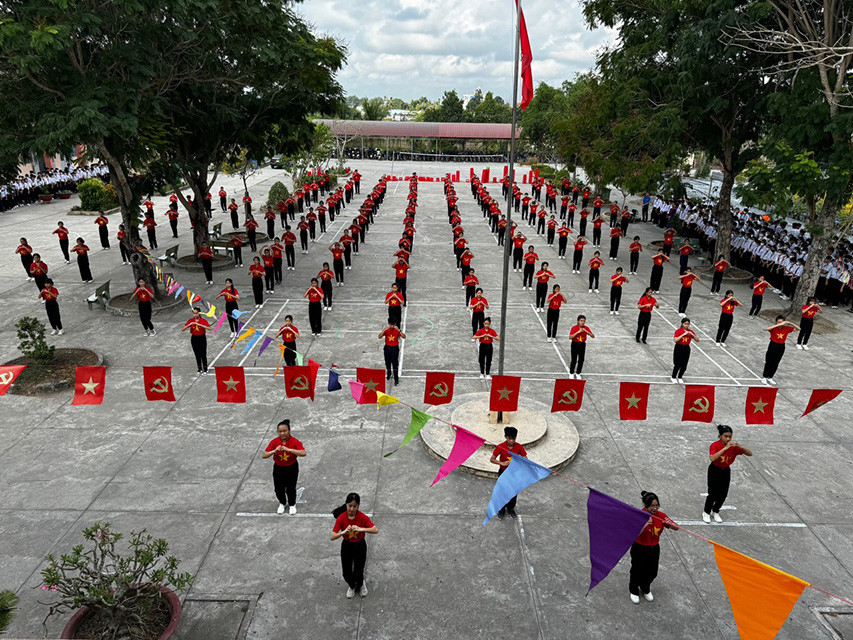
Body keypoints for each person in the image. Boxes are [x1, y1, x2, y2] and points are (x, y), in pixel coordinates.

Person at [629, 491, 678, 604]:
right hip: (639, 547)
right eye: (652, 506)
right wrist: (644, 525)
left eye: (657, 505)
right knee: (637, 570)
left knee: (652, 571)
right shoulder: (639, 515)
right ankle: (633, 590)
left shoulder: (661, 516)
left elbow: (676, 528)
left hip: (654, 547)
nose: (655, 508)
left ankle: (644, 587)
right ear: (646, 505)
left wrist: (672, 525)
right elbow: (633, 534)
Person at [331, 493, 378, 599]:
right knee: (346, 572)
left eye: (355, 506)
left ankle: (361, 584)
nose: (352, 509)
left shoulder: (362, 517)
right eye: (350, 506)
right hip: (347, 545)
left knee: (358, 570)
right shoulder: (341, 518)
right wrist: (343, 532)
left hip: (359, 545)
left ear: (358, 506)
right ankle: (352, 586)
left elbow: (375, 530)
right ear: (346, 504)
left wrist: (360, 529)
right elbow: (332, 536)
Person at [702, 425, 753, 523]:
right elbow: (712, 458)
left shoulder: (734, 448)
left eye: (730, 436)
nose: (728, 439)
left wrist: (740, 446)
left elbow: (750, 454)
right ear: (720, 436)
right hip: (714, 469)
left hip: (725, 470)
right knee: (712, 493)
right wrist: (725, 448)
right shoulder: (715, 445)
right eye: (725, 436)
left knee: (723, 494)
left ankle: (715, 511)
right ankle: (706, 512)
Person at [262, 419, 306, 515]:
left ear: (289, 430)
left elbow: (303, 453)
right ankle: (282, 503)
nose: (282, 433)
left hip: (292, 467)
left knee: (291, 488)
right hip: (278, 468)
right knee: (278, 488)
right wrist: (274, 451)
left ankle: (292, 504)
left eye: (284, 431)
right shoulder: (274, 442)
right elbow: (264, 455)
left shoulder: (294, 441)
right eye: (280, 431)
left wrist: (289, 450)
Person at [489, 427, 527, 520]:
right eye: (510, 438)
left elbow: (525, 459)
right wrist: (502, 463)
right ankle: (501, 509)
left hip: (514, 473)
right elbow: (492, 459)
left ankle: (510, 509)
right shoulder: (500, 446)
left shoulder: (519, 447)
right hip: (503, 472)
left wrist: (518, 462)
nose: (512, 441)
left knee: (514, 492)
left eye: (514, 438)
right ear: (505, 437)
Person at [762, 315, 800, 385]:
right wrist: (778, 325)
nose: (780, 324)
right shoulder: (774, 328)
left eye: (782, 322)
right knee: (769, 361)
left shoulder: (786, 328)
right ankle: (764, 377)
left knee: (776, 362)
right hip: (773, 345)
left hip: (781, 346)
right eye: (778, 322)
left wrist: (790, 323)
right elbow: (766, 329)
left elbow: (798, 329)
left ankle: (770, 377)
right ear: (776, 322)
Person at [181, 307, 210, 374]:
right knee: (197, 354)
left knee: (203, 353)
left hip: (202, 337)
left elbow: (209, 328)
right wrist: (190, 324)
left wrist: (200, 325)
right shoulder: (191, 320)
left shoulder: (203, 320)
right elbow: (183, 329)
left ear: (199, 313)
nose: (195, 315)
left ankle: (205, 369)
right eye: (194, 313)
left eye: (196, 313)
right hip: (194, 338)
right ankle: (199, 369)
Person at [379, 319, 406, 385]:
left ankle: (396, 379)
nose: (392, 326)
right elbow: (379, 337)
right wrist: (384, 330)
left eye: (393, 325)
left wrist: (399, 330)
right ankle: (389, 373)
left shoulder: (397, 330)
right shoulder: (386, 330)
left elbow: (404, 337)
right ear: (389, 324)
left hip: (395, 348)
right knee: (387, 362)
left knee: (395, 364)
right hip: (387, 348)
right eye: (391, 325)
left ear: (395, 324)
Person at [671, 318, 698, 383]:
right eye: (685, 324)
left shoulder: (690, 331)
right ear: (682, 324)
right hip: (679, 347)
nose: (686, 325)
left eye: (688, 324)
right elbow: (675, 340)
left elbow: (697, 340)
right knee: (677, 363)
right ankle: (673, 377)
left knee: (684, 364)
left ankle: (680, 376)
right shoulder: (678, 331)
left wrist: (693, 335)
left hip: (686, 348)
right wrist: (683, 334)